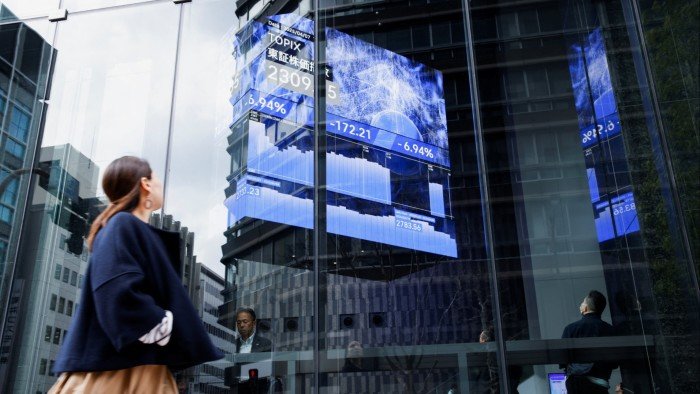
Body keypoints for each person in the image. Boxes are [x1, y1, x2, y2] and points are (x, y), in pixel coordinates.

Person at [49, 156, 224, 393]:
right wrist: (166, 324)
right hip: (122, 374)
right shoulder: (122, 223)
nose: (161, 184)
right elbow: (115, 290)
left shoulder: (122, 227)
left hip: (133, 368)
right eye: (156, 178)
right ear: (146, 184)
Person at [561, 290, 618, 394]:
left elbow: (563, 360)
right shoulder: (610, 330)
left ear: (585, 308)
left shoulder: (570, 329)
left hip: (576, 384)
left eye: (583, 302)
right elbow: (614, 363)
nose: (581, 305)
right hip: (600, 384)